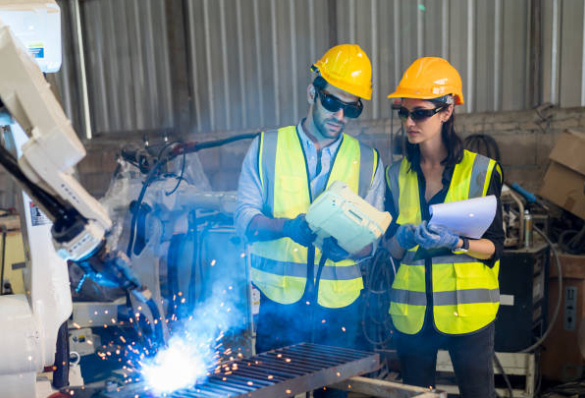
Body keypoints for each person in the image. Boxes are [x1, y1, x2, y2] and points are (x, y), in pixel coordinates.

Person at [235, 44, 385, 397]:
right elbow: (244, 219)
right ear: (311, 92)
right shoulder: (266, 147)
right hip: (279, 306)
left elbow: (371, 241)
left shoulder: (367, 161)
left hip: (340, 311)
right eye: (332, 103)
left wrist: (348, 247)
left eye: (352, 108)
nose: (340, 116)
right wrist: (287, 227)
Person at [384, 57, 504, 398]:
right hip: (412, 316)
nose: (409, 122)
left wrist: (458, 242)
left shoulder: (481, 171)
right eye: (404, 113)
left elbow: (496, 246)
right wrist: (401, 238)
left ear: (447, 111)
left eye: (420, 112)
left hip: (468, 314)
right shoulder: (395, 175)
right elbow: (390, 248)